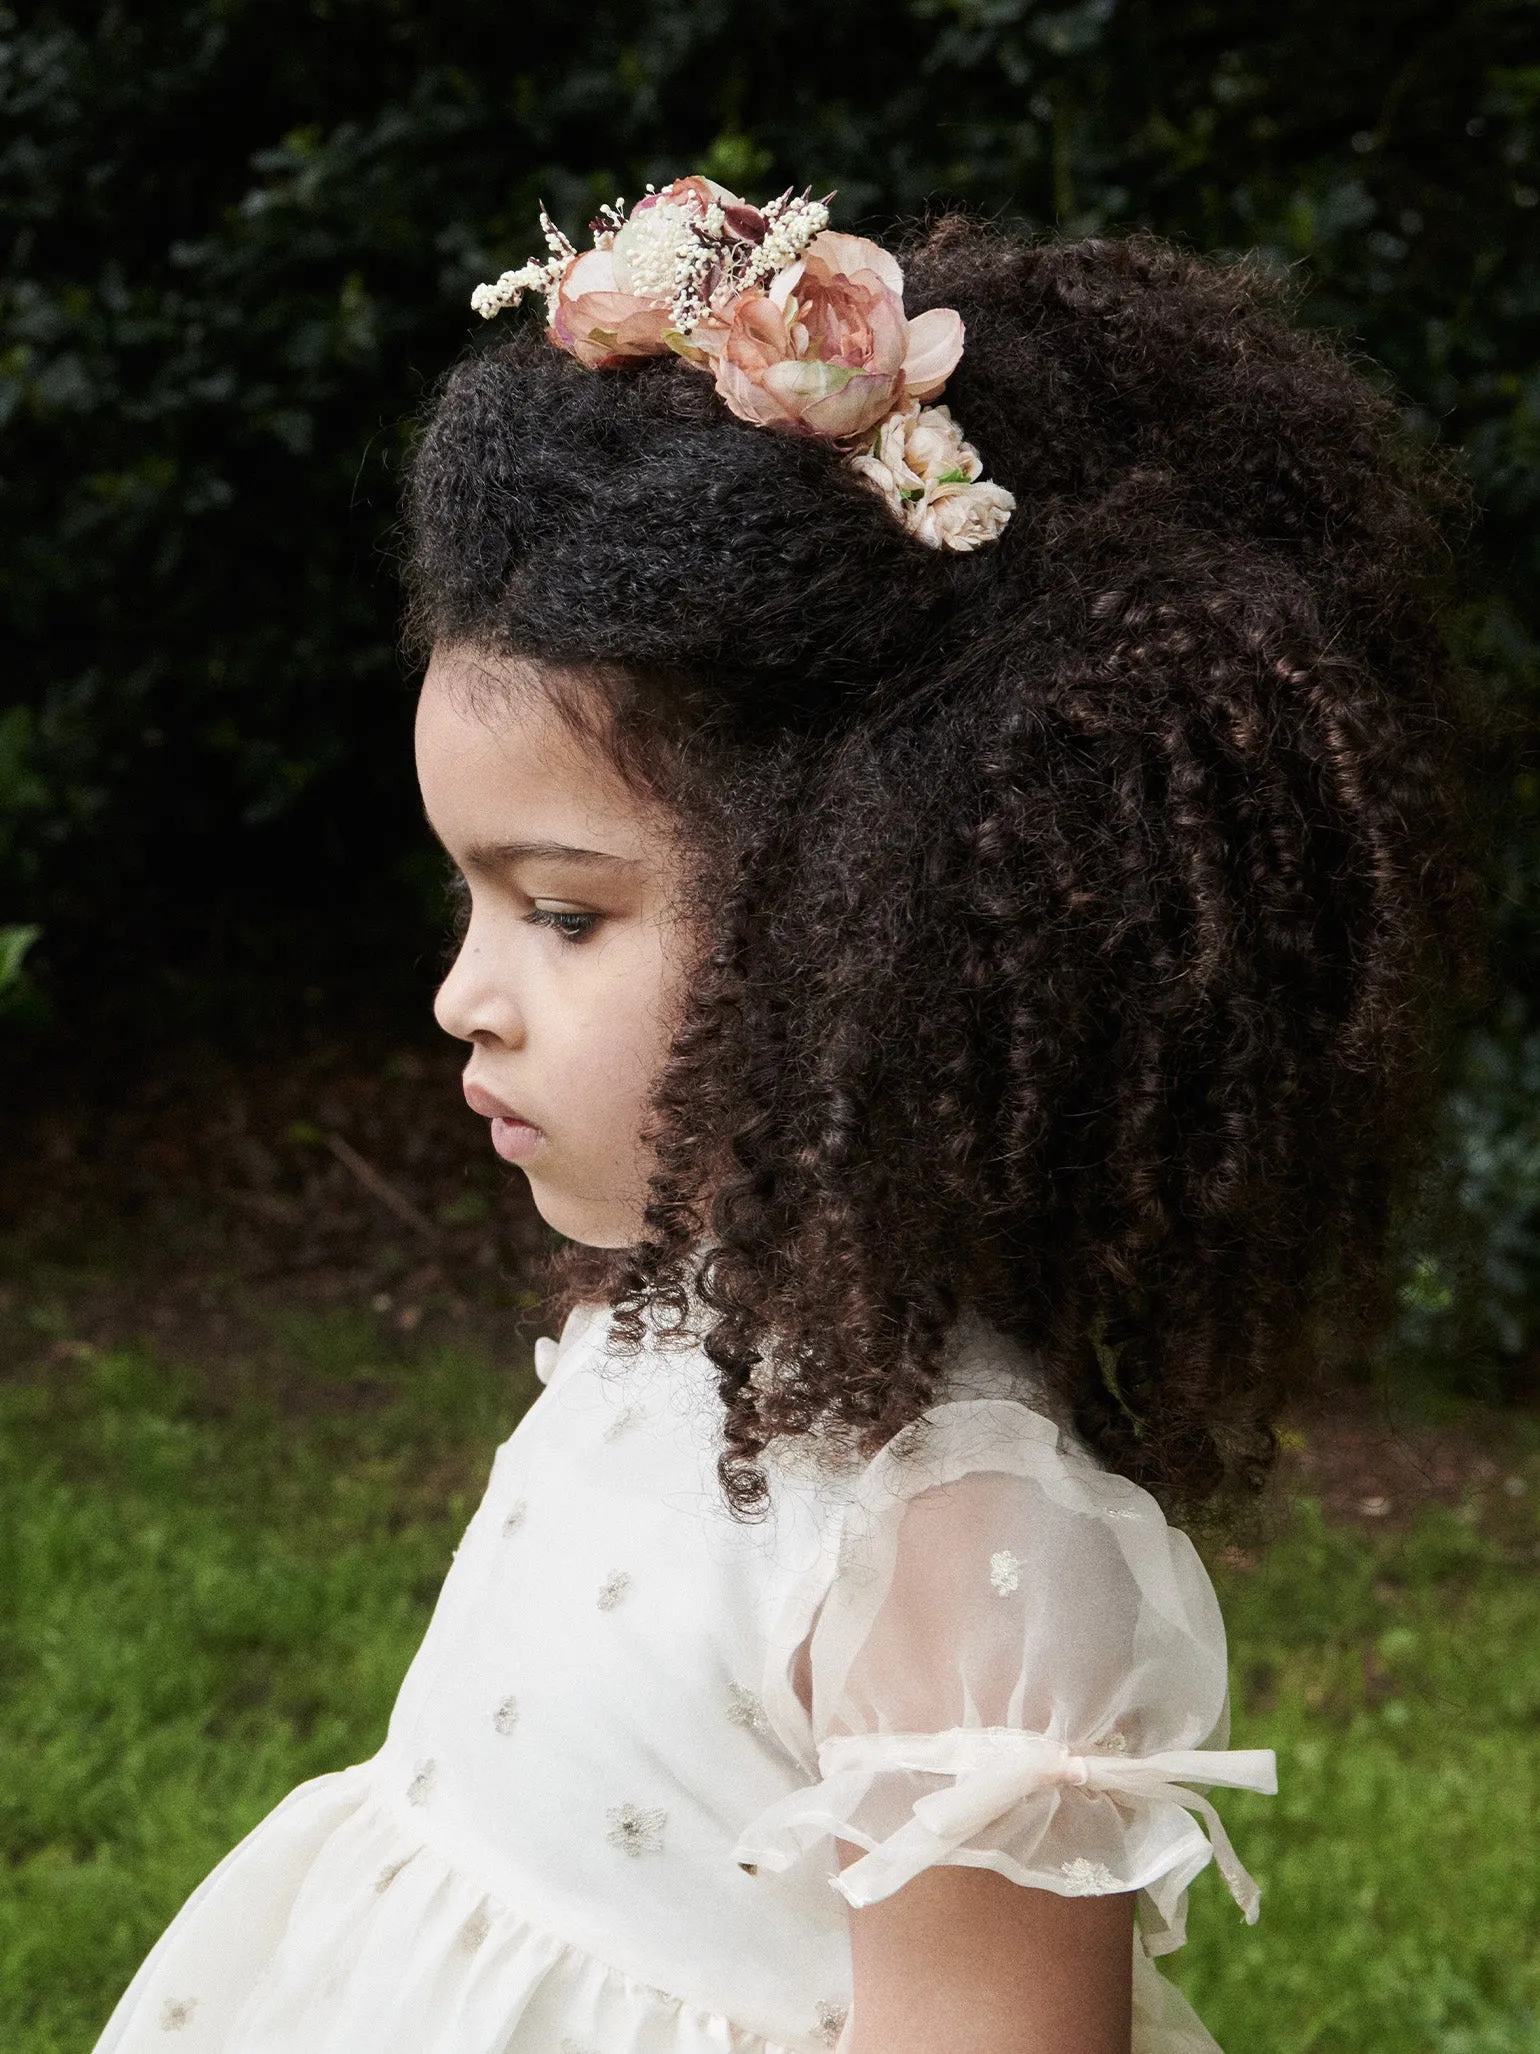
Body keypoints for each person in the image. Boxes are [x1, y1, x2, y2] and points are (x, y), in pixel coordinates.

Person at [93, 183, 1480, 2054]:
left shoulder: (953, 1543)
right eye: (471, 897)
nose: (462, 992)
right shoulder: (692, 1315)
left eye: (562, 911)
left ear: (870, 932)